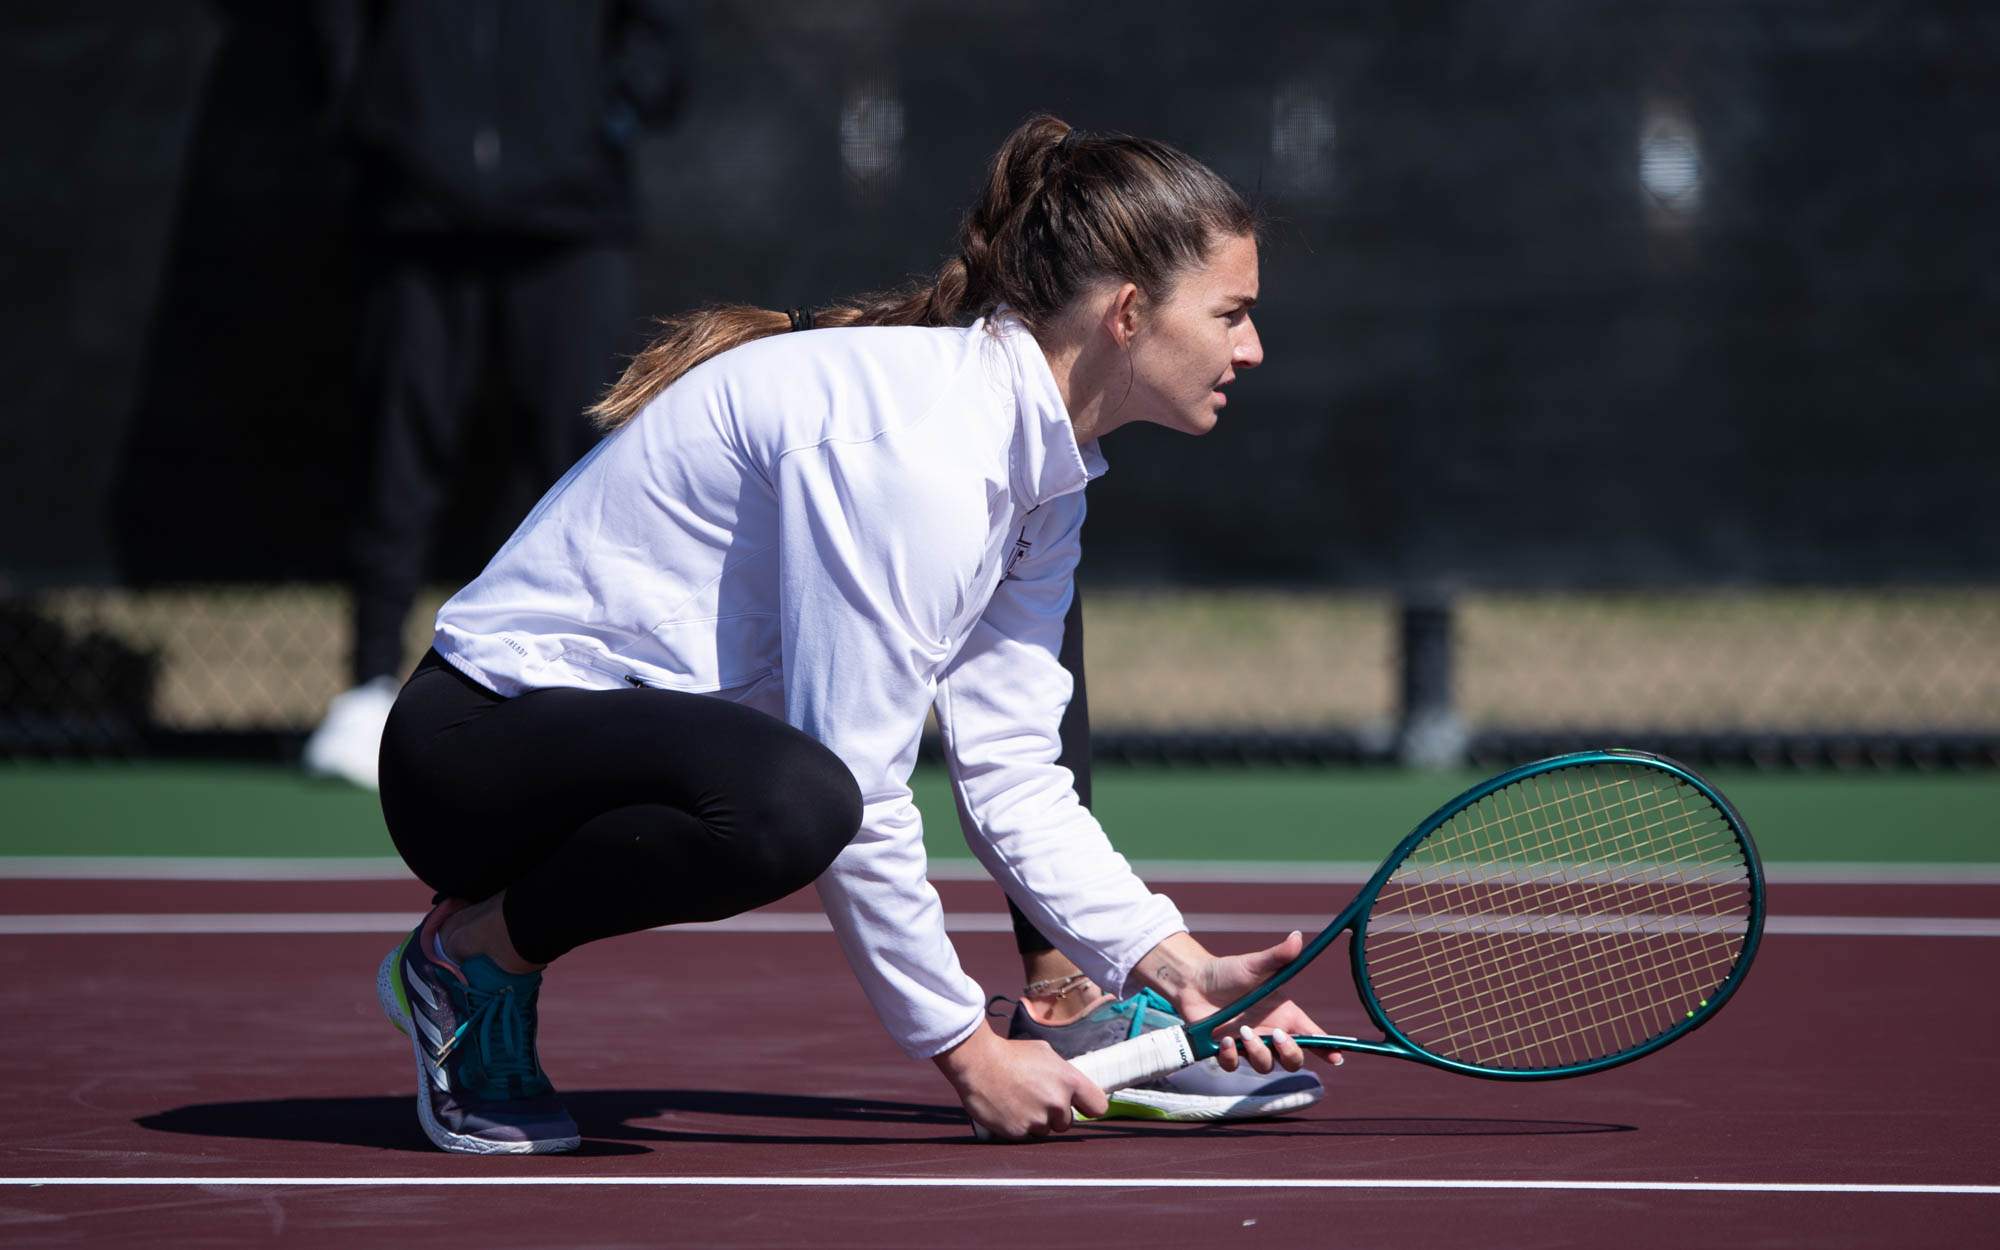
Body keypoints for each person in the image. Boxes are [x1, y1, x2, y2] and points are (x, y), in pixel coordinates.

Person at [374, 114, 1338, 1154]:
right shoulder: (916, 453)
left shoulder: (1042, 475)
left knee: (801, 794)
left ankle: (483, 948)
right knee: (802, 798)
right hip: (469, 758)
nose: (1251, 346)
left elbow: (1013, 770)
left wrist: (1173, 964)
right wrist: (966, 1050)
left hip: (613, 756)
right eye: (1231, 312)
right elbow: (860, 783)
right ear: (1128, 311)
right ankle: (470, 959)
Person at [302, 0, 687, 788]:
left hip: (573, 218)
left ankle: (595, 684)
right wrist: (379, 115)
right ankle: (371, 684)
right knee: (397, 450)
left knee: (584, 459)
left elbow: (659, 32)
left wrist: (604, 113)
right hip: (415, 213)